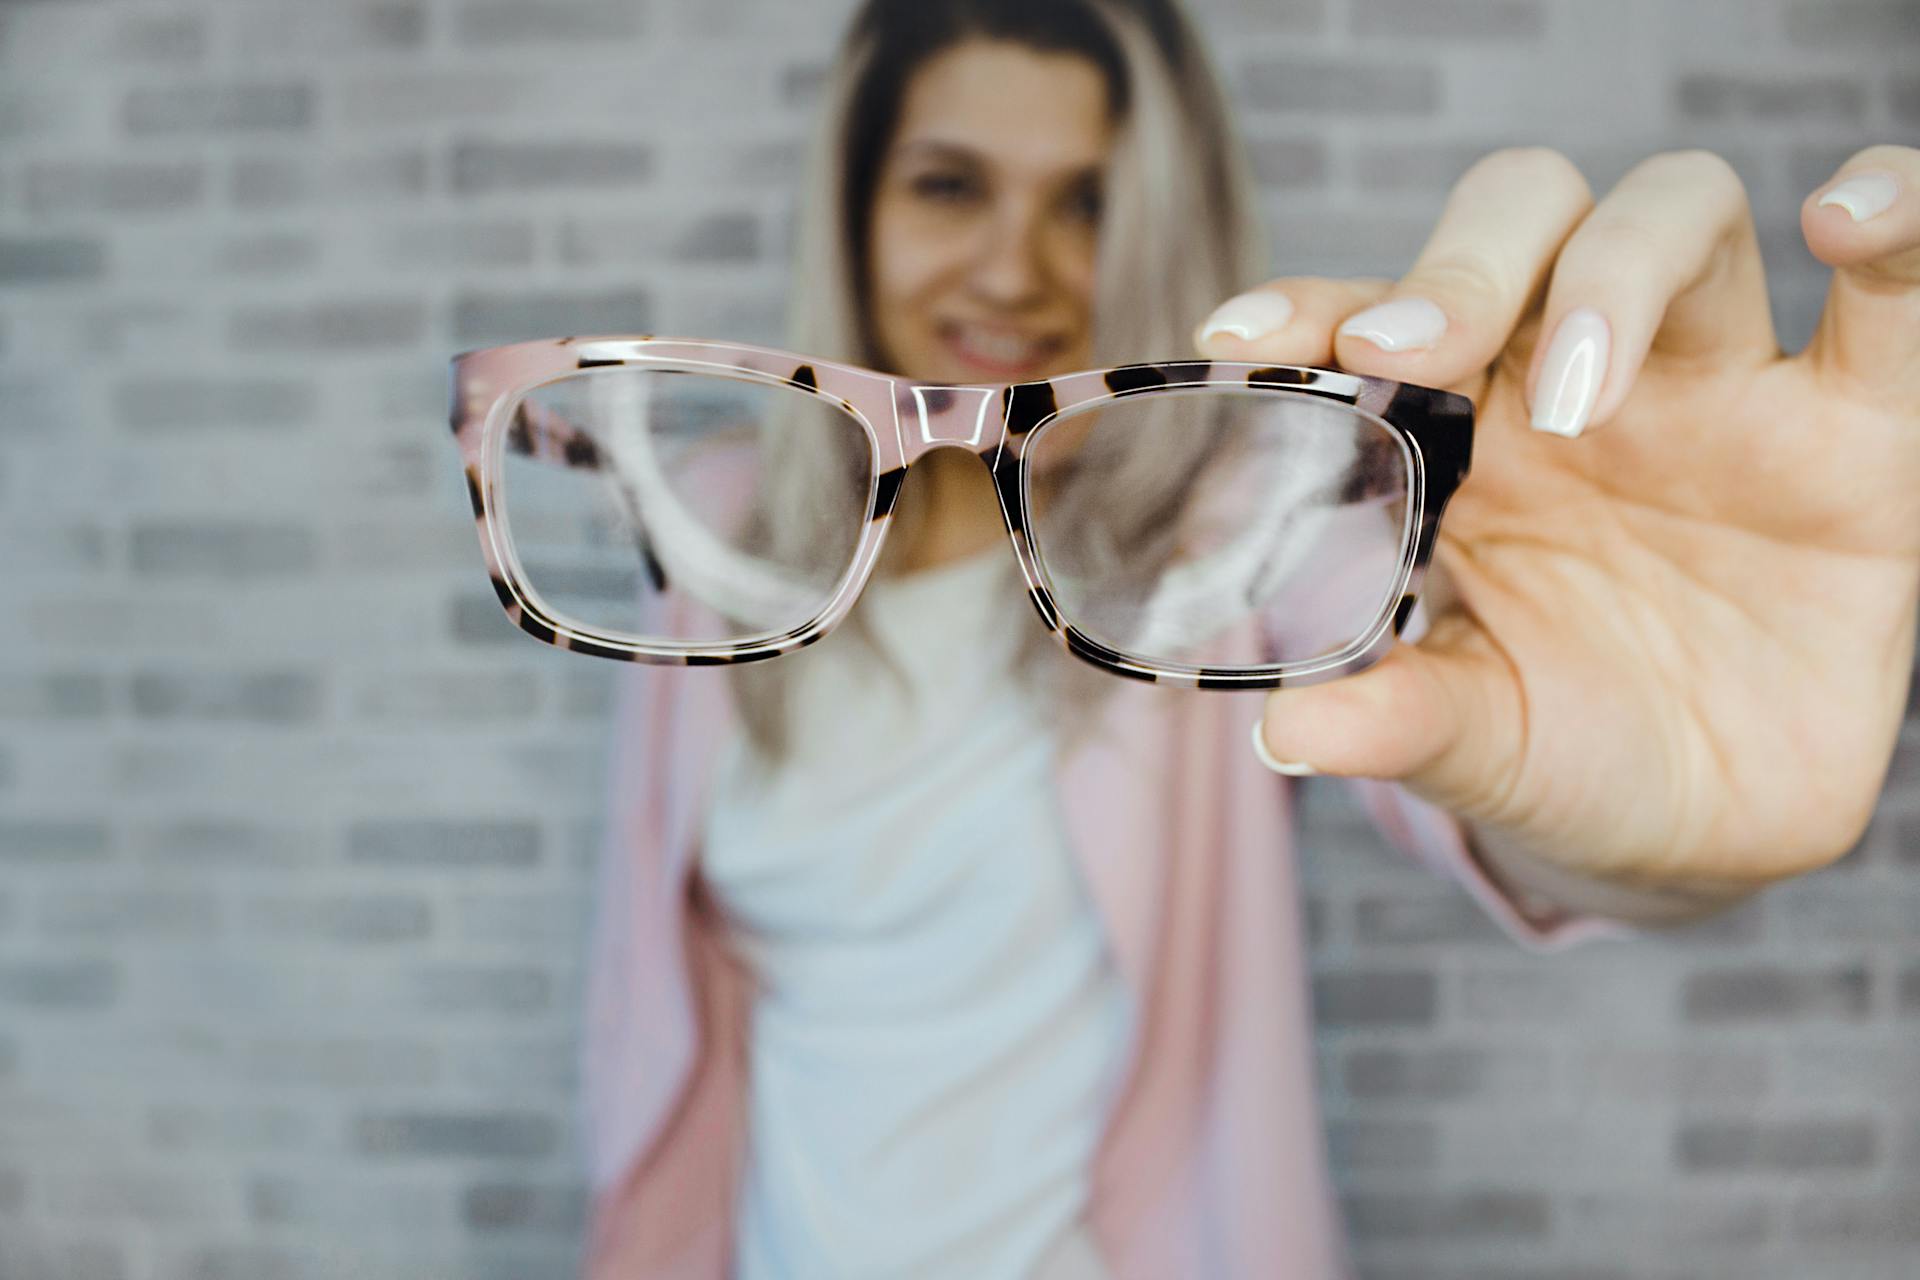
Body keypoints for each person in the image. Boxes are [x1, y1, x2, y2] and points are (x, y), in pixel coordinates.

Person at [578, 0, 1920, 1275]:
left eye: (1088, 201)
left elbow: (1475, 741)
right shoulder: (719, 531)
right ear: (854, 205)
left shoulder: (1236, 524)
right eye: (949, 184)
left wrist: (1669, 807)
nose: (1011, 267)